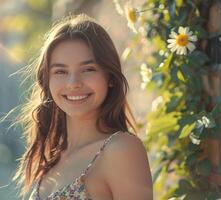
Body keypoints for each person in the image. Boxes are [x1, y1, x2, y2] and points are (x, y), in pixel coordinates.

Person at [13, 14, 153, 200]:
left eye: (88, 69)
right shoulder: (54, 156)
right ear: (48, 81)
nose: (73, 83)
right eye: (61, 71)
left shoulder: (121, 150)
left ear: (110, 77)